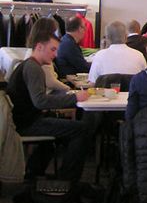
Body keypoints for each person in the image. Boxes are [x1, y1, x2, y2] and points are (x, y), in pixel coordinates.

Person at [7, 29, 89, 181]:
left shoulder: (27, 65)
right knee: (82, 129)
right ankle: (67, 178)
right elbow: (40, 101)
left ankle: (34, 172)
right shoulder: (34, 69)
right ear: (39, 47)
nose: (55, 55)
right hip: (26, 123)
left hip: (21, 119)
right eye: (52, 49)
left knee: (64, 126)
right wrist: (75, 98)